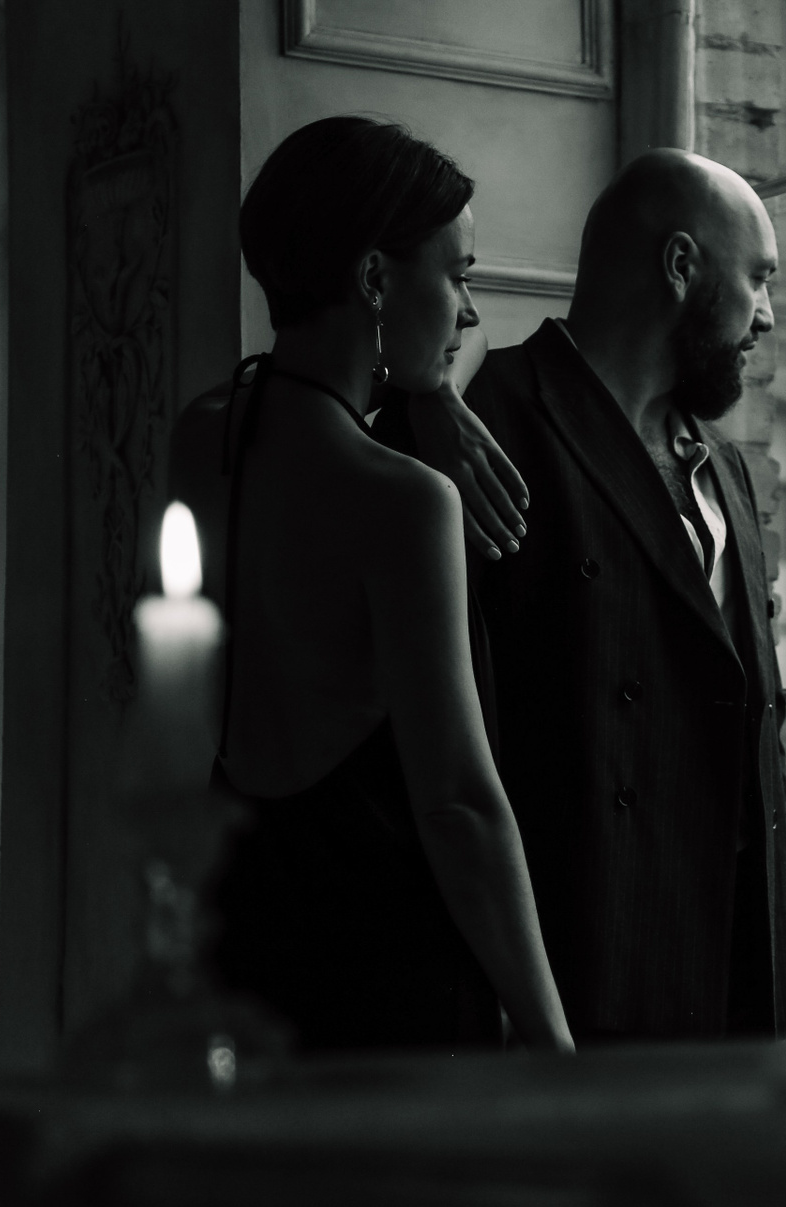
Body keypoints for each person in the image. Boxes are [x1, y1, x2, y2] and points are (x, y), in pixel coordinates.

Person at [396, 149, 786, 1040]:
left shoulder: (731, 472)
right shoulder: (493, 425)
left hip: (743, 983)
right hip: (589, 979)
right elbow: (453, 756)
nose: (766, 315)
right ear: (681, 266)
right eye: (758, 278)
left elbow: (762, 737)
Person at [169, 117, 573, 1053]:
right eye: (460, 276)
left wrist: (429, 388)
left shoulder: (205, 435)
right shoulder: (402, 501)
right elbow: (459, 804)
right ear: (374, 279)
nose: (470, 313)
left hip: (248, 942)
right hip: (391, 974)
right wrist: (552, 1040)